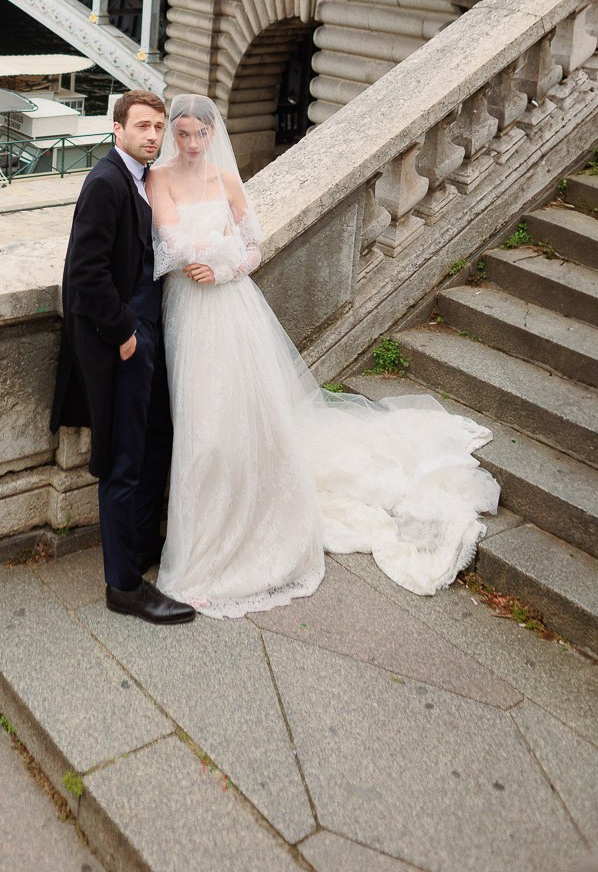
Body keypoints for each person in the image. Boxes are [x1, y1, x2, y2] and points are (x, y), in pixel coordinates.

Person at [147, 94, 500, 616]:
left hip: (229, 303)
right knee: (201, 423)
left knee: (243, 416)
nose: (193, 143)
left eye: (201, 134)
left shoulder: (224, 179)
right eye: (183, 134)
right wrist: (209, 251)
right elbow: (170, 245)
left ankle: (249, 525)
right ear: (172, 135)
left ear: (212, 134)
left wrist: (224, 267)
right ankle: (201, 543)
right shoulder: (159, 178)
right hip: (188, 309)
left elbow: (253, 246)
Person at [50, 91, 194, 626]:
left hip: (148, 333)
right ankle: (124, 586)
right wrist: (124, 332)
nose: (153, 135)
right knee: (123, 459)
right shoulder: (106, 182)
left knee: (158, 436)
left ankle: (140, 545)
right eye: (142, 126)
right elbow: (85, 271)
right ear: (118, 129)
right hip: (123, 343)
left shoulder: (141, 178)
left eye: (158, 127)